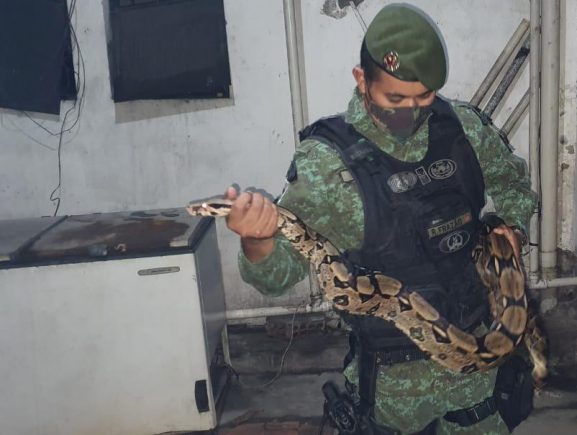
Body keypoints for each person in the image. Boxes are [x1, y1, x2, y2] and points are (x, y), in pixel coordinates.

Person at [224, 4, 536, 434]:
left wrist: (512, 228)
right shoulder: (326, 166)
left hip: (481, 384)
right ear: (361, 79)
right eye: (395, 98)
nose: (410, 109)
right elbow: (276, 277)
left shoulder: (463, 129)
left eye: (423, 97)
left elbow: (514, 185)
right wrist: (257, 241)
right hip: (392, 393)